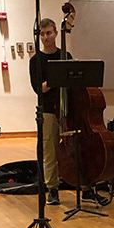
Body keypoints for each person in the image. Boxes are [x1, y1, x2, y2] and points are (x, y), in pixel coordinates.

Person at [29, 18, 71, 205]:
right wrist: (57, 76)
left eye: (49, 33)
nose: (45, 37)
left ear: (55, 34)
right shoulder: (36, 61)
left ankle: (85, 187)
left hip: (68, 109)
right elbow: (39, 88)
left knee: (76, 148)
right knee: (49, 151)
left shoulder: (65, 56)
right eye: (42, 34)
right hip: (47, 111)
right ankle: (53, 189)